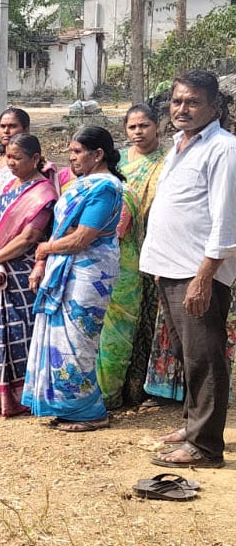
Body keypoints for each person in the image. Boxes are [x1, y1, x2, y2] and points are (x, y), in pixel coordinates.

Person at [140, 71, 236, 468]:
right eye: (177, 101)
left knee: (205, 357)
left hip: (200, 273)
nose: (182, 109)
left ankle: (205, 446)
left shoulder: (224, 149)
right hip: (173, 269)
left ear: (214, 107)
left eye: (192, 102)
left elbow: (227, 218)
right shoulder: (181, 145)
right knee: (187, 354)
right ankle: (194, 424)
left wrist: (205, 275)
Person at [23, 126, 125, 431]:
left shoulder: (105, 188)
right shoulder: (81, 185)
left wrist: (44, 248)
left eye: (78, 152)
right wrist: (47, 255)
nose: (72, 157)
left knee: (79, 341)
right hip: (66, 268)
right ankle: (68, 408)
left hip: (89, 274)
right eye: (70, 151)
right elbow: (66, 232)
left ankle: (90, 411)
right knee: (59, 338)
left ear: (98, 154)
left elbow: (81, 238)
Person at [0, 134, 56, 417]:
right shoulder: (7, 186)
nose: (12, 162)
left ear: (35, 159)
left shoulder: (43, 193)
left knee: (18, 330)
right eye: (9, 157)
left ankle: (21, 396)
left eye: (18, 158)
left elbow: (28, 237)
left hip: (20, 271)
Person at [95, 104, 166, 409]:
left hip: (155, 245)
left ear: (157, 127)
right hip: (116, 252)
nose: (138, 132)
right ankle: (110, 390)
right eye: (132, 127)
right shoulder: (119, 161)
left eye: (144, 126)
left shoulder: (166, 162)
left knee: (149, 318)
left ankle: (144, 388)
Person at [0, 108, 74, 194]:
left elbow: (48, 196)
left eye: (12, 126)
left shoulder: (44, 166)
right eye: (2, 126)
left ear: (26, 129)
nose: (6, 131)